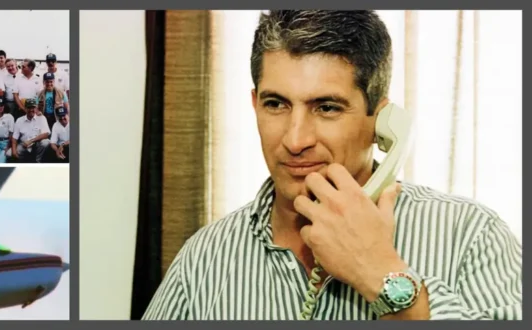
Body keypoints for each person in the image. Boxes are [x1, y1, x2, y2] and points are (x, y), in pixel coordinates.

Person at [141, 10, 522, 321]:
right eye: (276, 104)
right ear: (255, 104)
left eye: (326, 108)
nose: (295, 140)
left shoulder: (471, 235)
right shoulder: (206, 256)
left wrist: (380, 273)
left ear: (382, 122)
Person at [11, 98, 51, 163]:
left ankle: (38, 161)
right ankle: (23, 163)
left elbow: (46, 134)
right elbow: (14, 138)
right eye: (29, 107)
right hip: (24, 145)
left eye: (33, 107)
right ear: (25, 108)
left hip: (37, 144)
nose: (31, 110)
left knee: (45, 142)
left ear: (36, 108)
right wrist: (13, 150)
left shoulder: (41, 117)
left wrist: (31, 141)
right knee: (9, 154)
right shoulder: (19, 120)